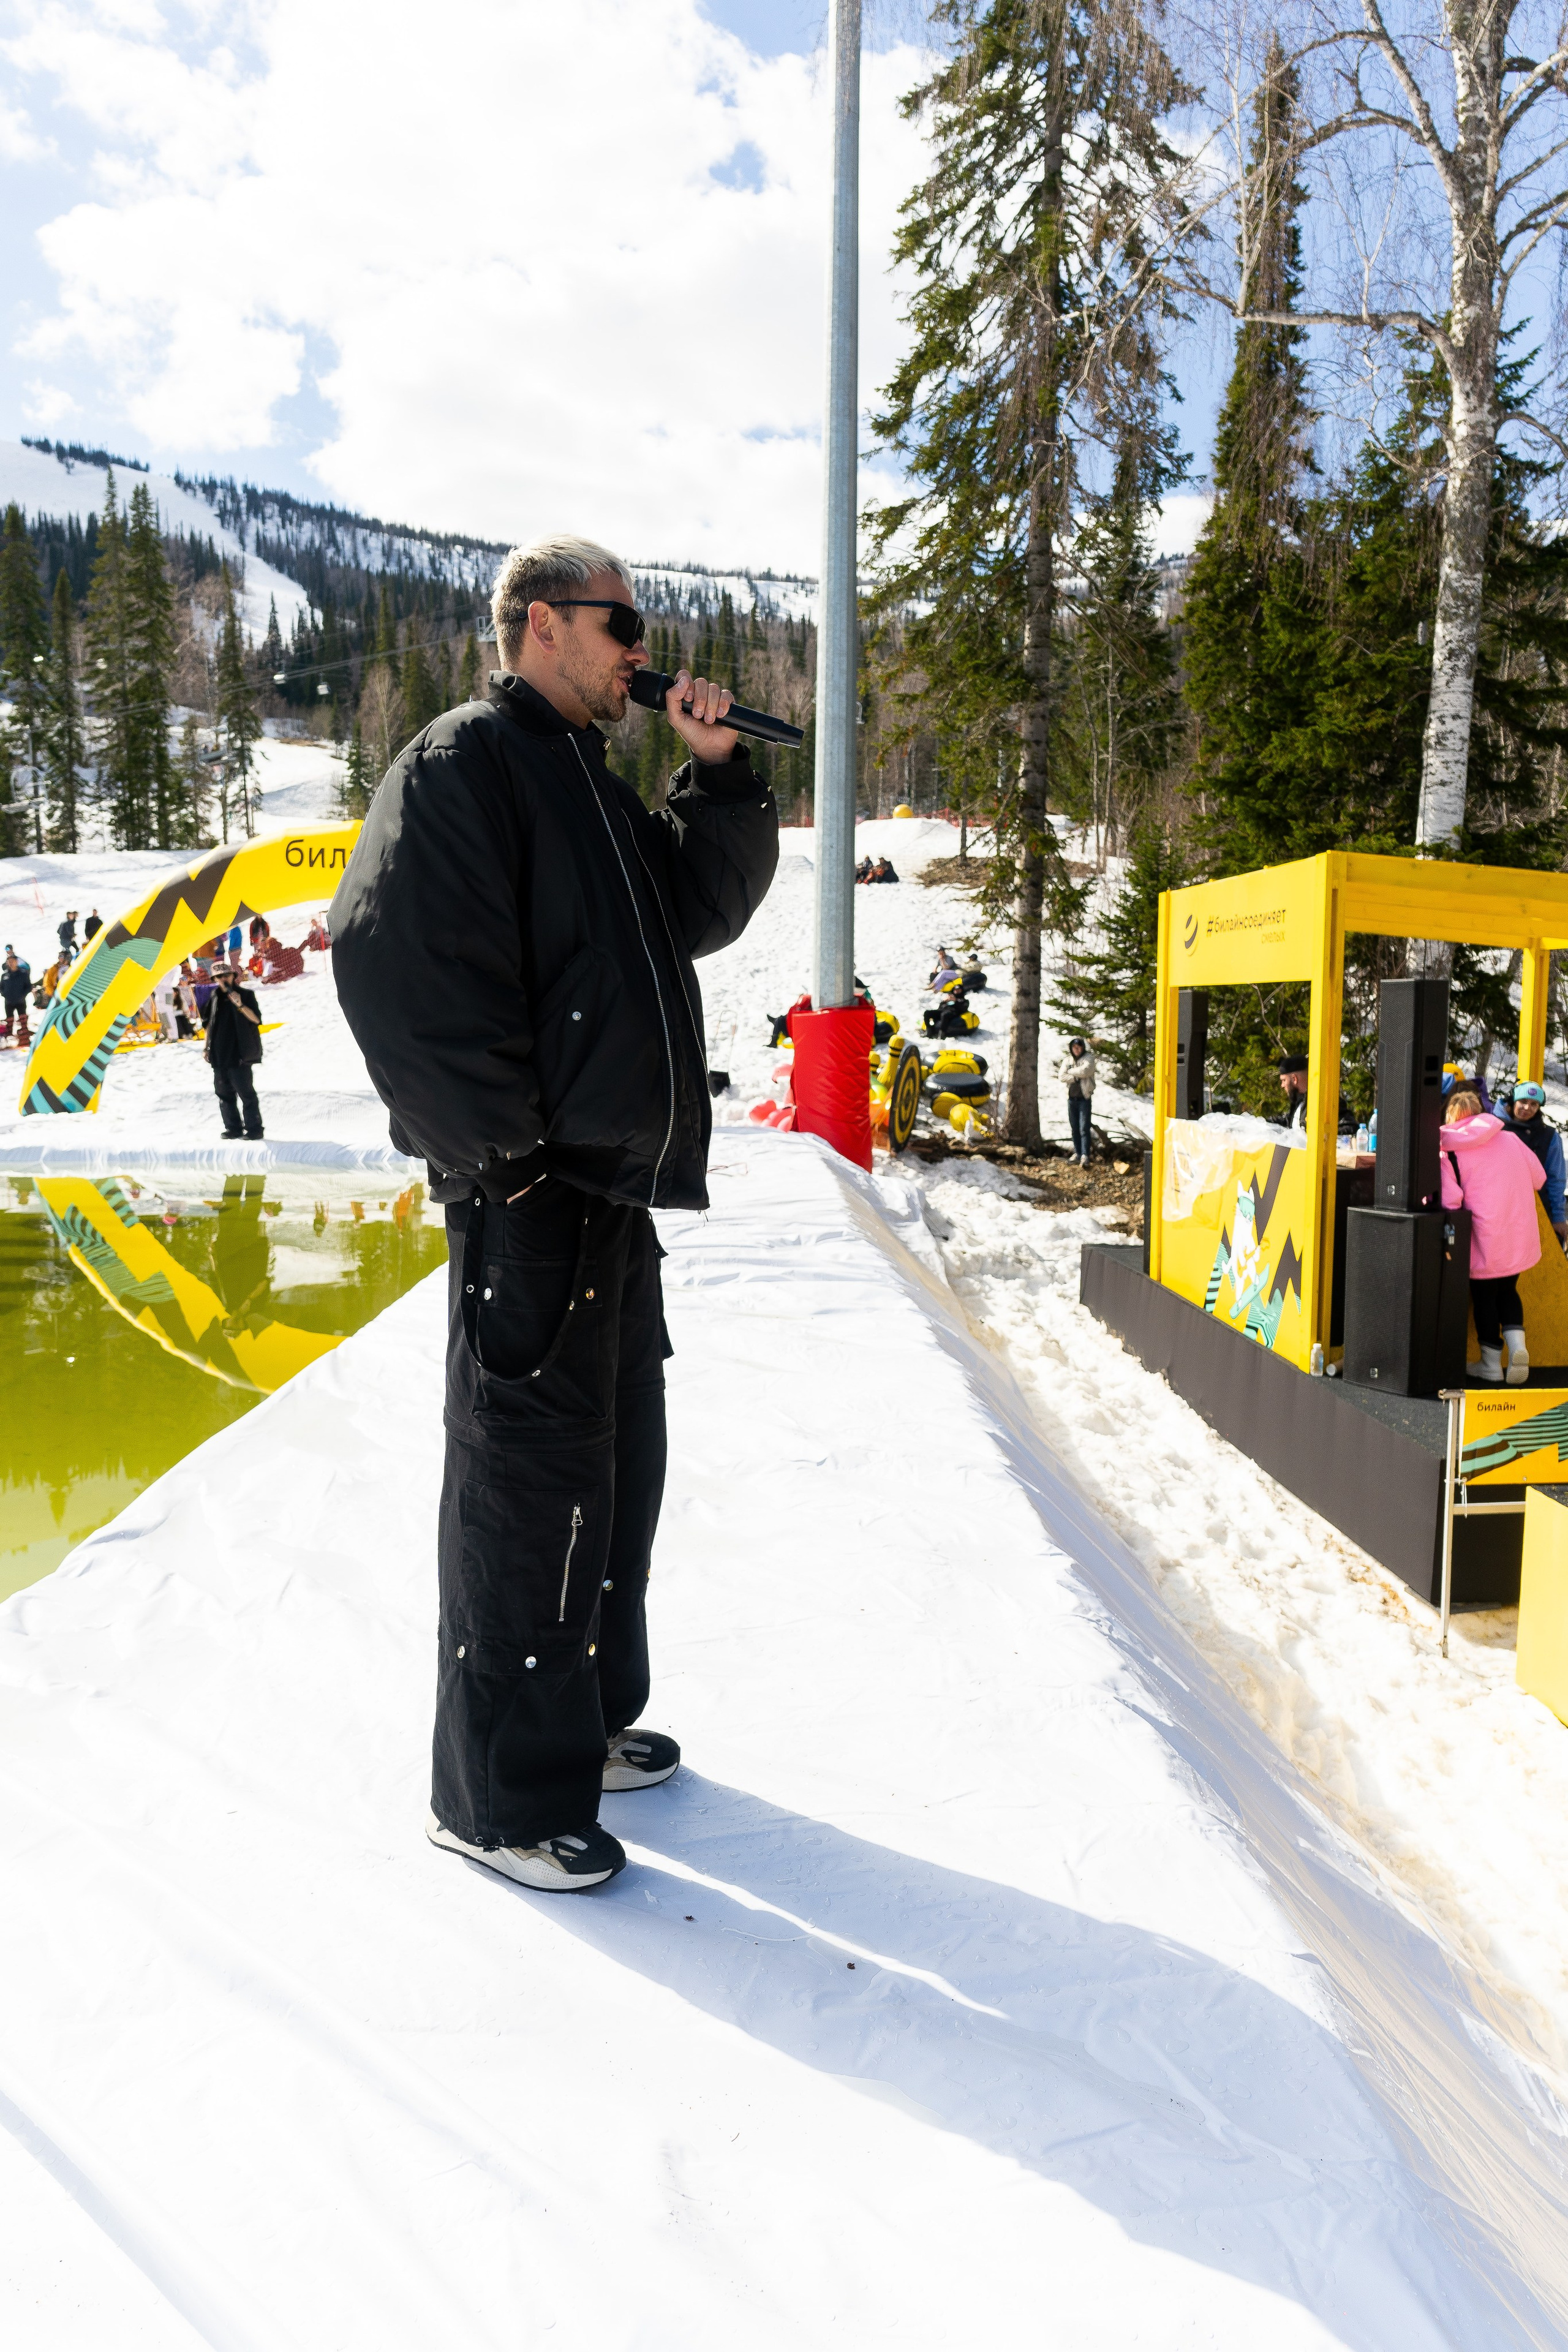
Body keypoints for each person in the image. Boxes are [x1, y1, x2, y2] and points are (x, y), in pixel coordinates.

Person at [331, 532, 779, 1896]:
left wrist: (718, 775)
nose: (641, 649)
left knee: (611, 1470)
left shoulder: (585, 781)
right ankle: (494, 1799)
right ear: (538, 623)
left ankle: (577, 1727)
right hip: (533, 1199)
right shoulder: (469, 762)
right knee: (527, 1490)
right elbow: (390, 964)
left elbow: (695, 911)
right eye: (619, 623)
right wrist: (506, 1160)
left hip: (603, 1202)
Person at [1441, 1087, 1546, 1384]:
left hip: (1483, 1236)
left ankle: (1490, 1364)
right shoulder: (1511, 1138)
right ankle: (1518, 1349)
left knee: (1485, 1298)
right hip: (1518, 1233)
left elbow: (1450, 1200)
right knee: (1509, 1291)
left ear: (1450, 1116)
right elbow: (1539, 1178)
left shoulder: (1448, 1150)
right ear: (1480, 1112)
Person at [1500, 1080, 1567, 1248]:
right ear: (1513, 1101)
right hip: (1500, 1209)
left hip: (1536, 1210)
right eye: (1523, 1102)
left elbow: (1556, 1179)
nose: (1527, 1108)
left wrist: (1558, 1217)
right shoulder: (1494, 1128)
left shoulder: (1549, 1137)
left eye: (1534, 1104)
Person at [203, 963, 265, 1139]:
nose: (224, 979)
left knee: (246, 1093)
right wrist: (206, 1047)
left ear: (233, 976)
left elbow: (256, 1020)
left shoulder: (246, 995)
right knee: (223, 1093)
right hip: (219, 1054)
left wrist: (240, 1005)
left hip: (240, 1053)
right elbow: (208, 1024)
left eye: (227, 975)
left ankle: (254, 1130)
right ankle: (233, 1128)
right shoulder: (214, 997)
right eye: (220, 977)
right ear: (215, 980)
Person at [1058, 1036, 1096, 1165]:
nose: (1077, 1050)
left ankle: (1086, 1154)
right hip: (1071, 1099)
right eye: (1074, 1047)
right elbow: (1062, 1076)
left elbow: (1086, 1071)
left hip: (1084, 1099)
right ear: (1071, 1048)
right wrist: (1075, 1078)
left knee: (1084, 1128)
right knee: (1074, 1128)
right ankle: (1078, 1153)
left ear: (1083, 1048)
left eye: (1079, 1047)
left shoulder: (1089, 1058)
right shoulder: (1067, 1060)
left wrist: (1070, 1071)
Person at [2, 951, 31, 1045]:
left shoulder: (23, 974)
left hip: (20, 1001)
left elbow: (29, 986)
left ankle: (24, 1039)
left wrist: (23, 994)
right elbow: (1, 987)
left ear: (16, 962)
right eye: (9, 961)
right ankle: (9, 1040)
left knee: (23, 1020)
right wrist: (4, 994)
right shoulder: (5, 975)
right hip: (9, 1001)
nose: (11, 963)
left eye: (13, 961)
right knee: (9, 1020)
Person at [1278, 1054, 1309, 1128]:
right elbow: (1288, 1120)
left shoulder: (1318, 1105)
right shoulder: (1299, 1102)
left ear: (1294, 1079)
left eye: (1284, 1080)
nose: (1282, 1085)